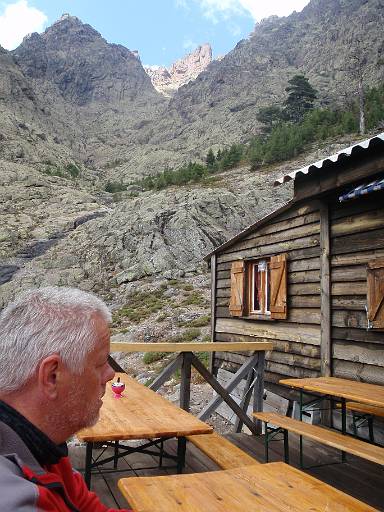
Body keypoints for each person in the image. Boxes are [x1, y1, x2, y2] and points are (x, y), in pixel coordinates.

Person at [0, 286, 132, 511]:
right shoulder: (16, 498)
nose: (110, 375)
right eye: (100, 363)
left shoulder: (45, 446)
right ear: (52, 376)